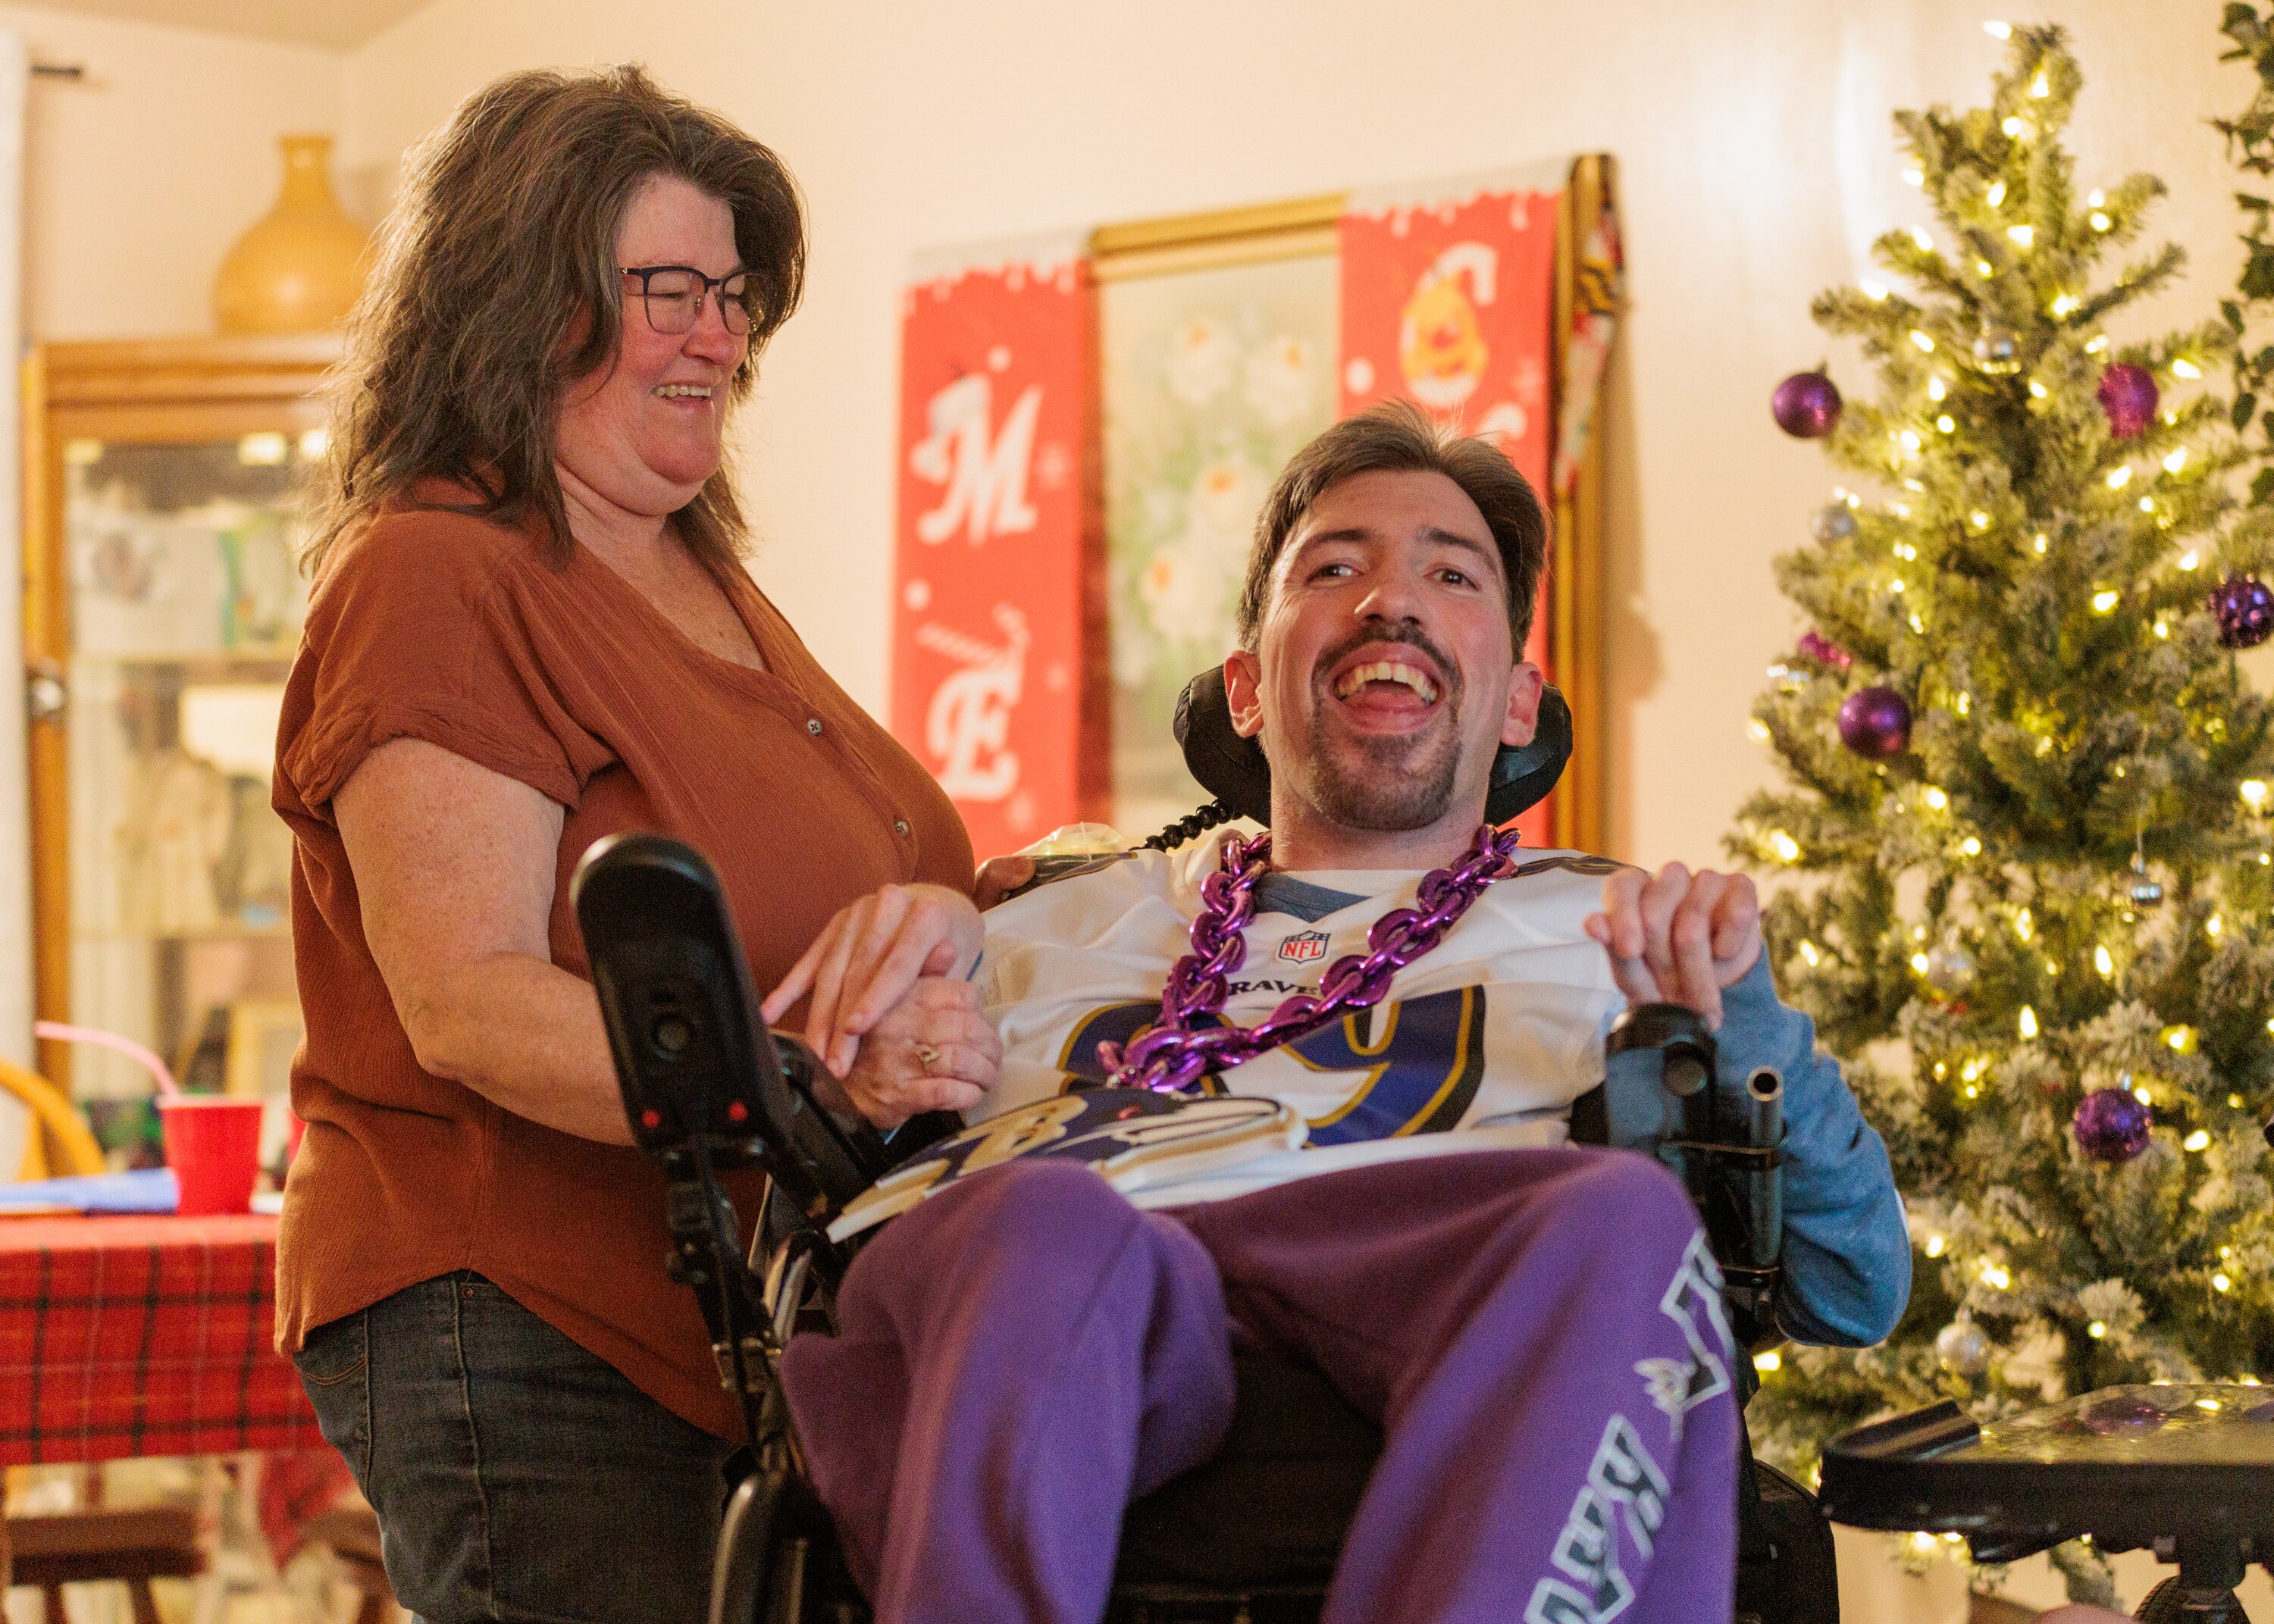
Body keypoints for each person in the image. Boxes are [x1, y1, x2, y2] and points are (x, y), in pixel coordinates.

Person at [763, 402, 1911, 1624]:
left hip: (1420, 1268)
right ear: (1246, 689)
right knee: (1045, 1226)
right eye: (1335, 567)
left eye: (1451, 572)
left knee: (1621, 1217)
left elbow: (1856, 1285)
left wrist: (1743, 1026)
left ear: (1520, 702)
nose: (1390, 601)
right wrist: (859, 1075)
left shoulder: (1618, 925)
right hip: (1085, 1273)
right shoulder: (1037, 915)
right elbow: (817, 1155)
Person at [271, 67, 983, 1624]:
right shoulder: (441, 575)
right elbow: (468, 1001)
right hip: (525, 1320)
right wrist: (801, 1071)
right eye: (665, 289)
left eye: (732, 295)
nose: (716, 335)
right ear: (523, 304)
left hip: (730, 1327)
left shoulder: (694, 574)